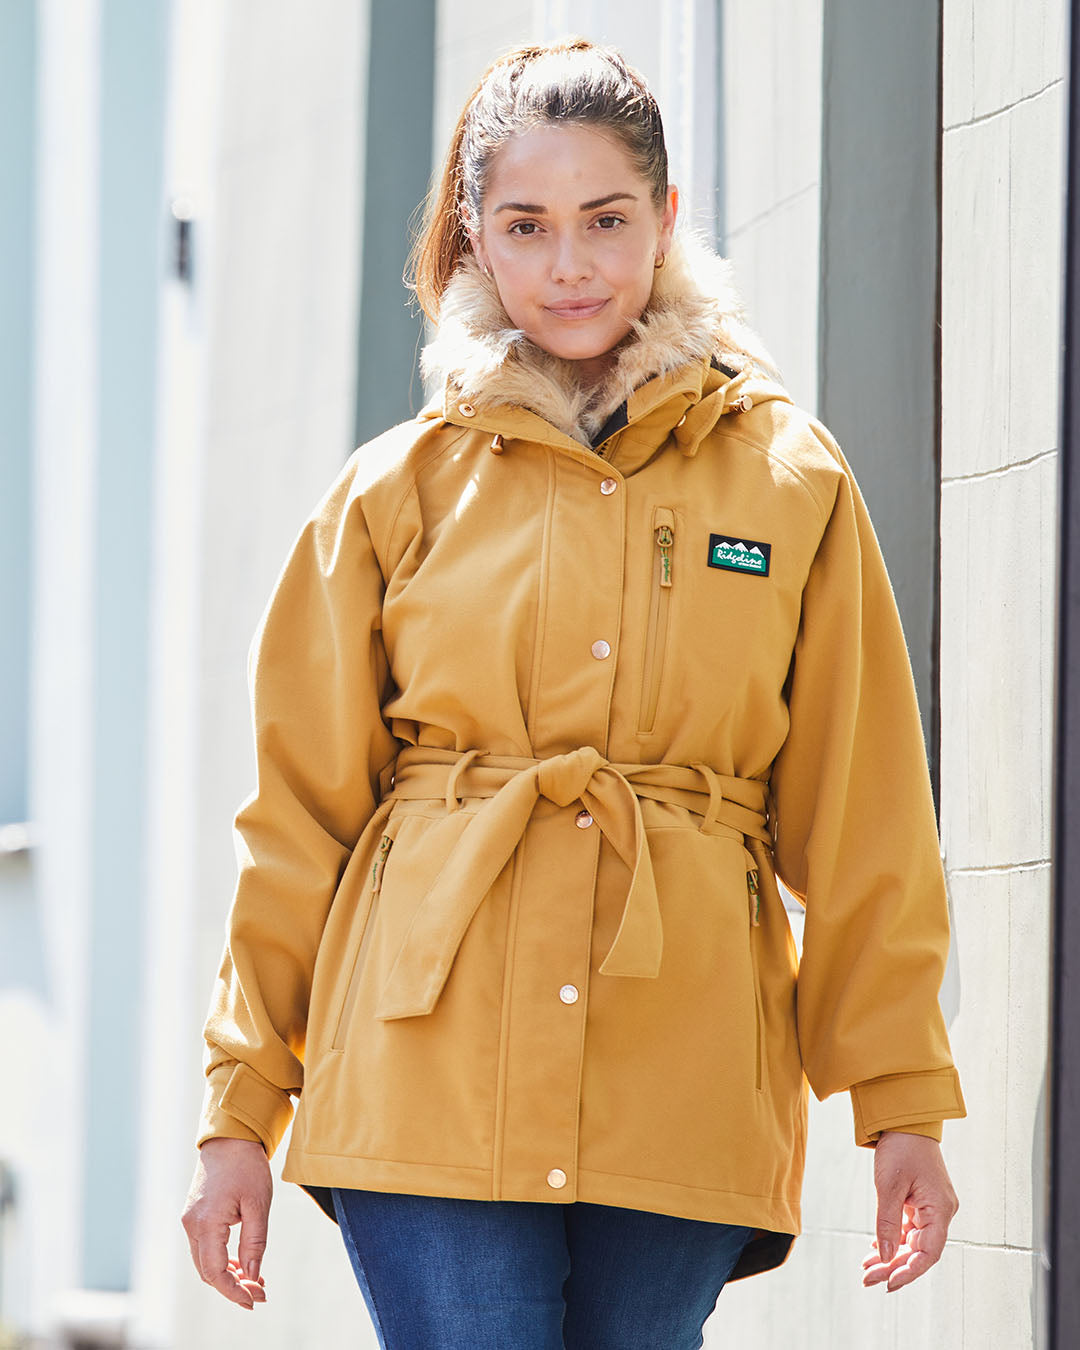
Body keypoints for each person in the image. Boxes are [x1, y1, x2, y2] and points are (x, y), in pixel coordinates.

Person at [181, 37, 965, 1348]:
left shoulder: (788, 479)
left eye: (606, 220)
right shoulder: (395, 495)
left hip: (687, 1071)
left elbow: (865, 816)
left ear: (664, 221)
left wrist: (900, 1103)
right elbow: (298, 829)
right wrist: (237, 1113)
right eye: (527, 227)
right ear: (477, 243)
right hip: (425, 1074)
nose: (570, 265)